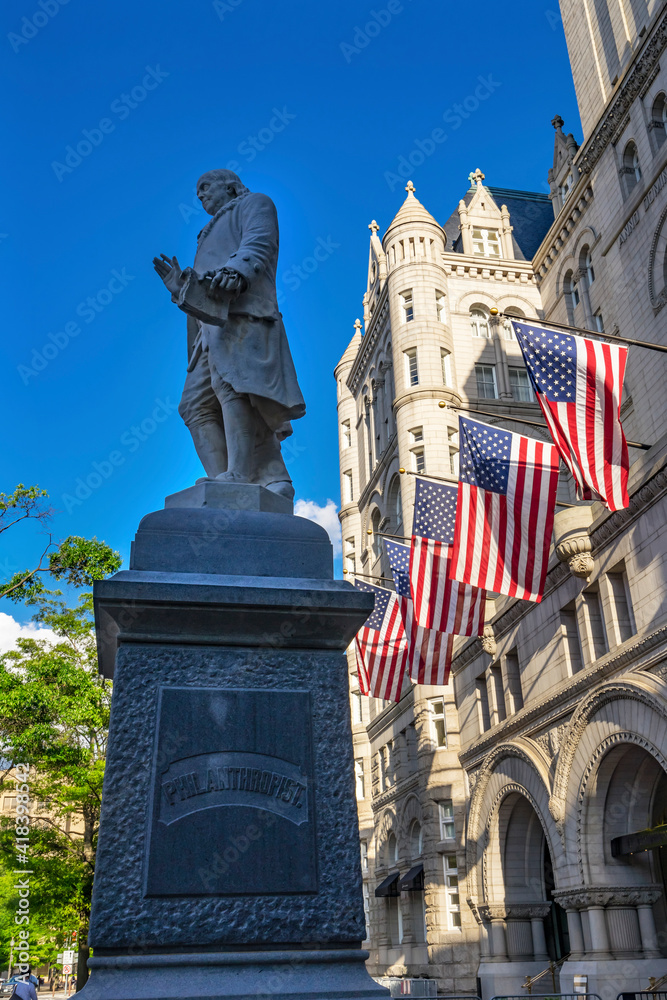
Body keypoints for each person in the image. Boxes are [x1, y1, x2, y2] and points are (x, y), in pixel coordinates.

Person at [153, 169, 306, 500]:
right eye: (198, 191)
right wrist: (182, 289)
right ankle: (234, 483)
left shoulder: (254, 203)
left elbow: (259, 243)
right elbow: (205, 284)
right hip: (207, 329)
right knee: (193, 405)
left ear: (231, 186)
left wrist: (237, 272)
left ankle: (242, 475)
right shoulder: (204, 233)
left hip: (242, 314)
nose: (201, 195)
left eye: (206, 186)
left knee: (235, 388)